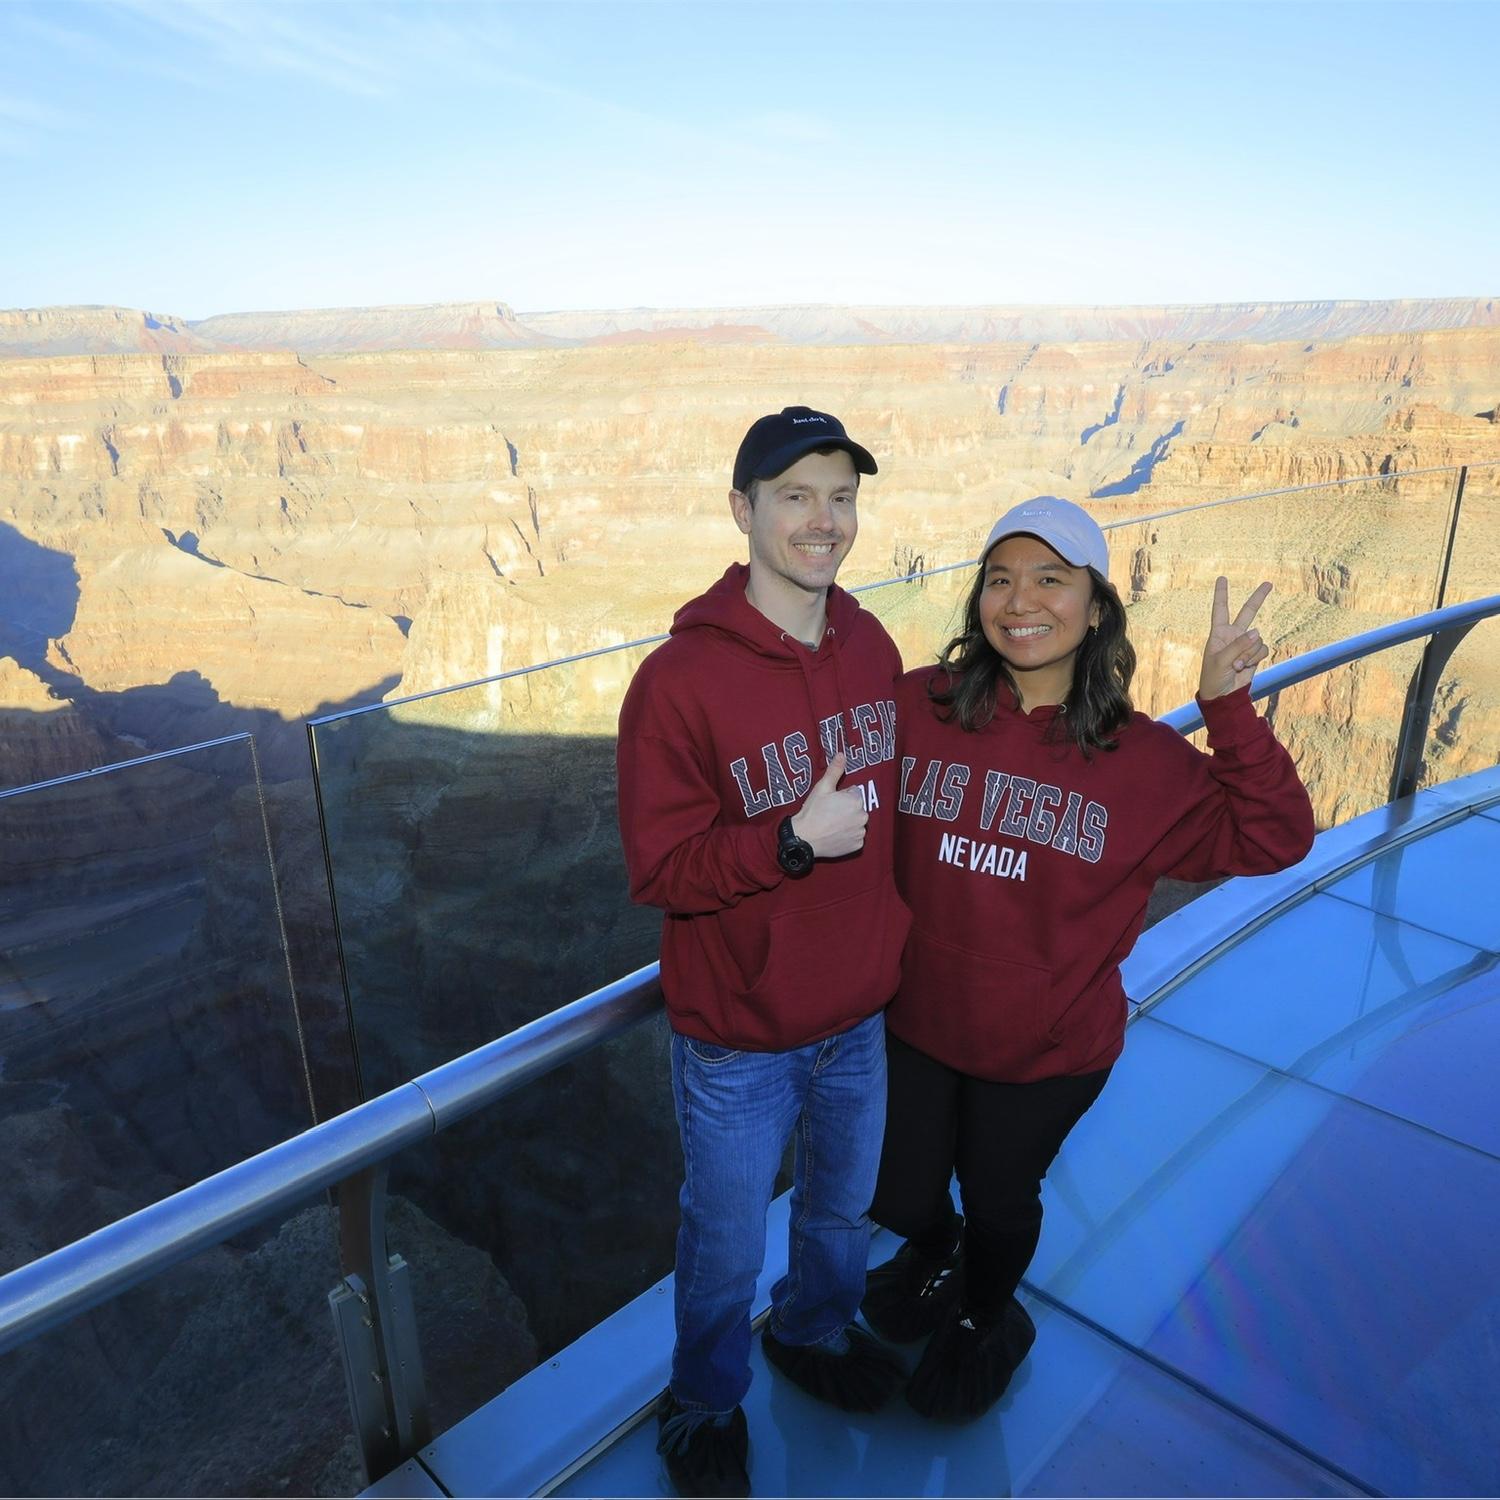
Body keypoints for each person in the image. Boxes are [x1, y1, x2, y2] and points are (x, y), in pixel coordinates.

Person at [863, 495, 1315, 1421]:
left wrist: (1227, 709)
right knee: (897, 1192)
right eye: (1000, 579)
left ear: (1097, 606)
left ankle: (984, 1317)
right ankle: (936, 1247)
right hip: (917, 1021)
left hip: (1047, 1048)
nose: (1020, 600)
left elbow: (1276, 836)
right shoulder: (919, 707)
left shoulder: (1143, 762)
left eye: (1050, 579)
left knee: (1000, 1201)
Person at [617, 407, 912, 1496]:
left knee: (840, 1214)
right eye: (796, 496)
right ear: (742, 510)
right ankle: (703, 1401)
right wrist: (789, 840)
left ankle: (814, 1330)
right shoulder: (678, 683)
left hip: (859, 1019)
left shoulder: (873, 647)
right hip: (740, 1041)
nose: (823, 521)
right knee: (727, 1246)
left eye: (842, 497)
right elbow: (660, 870)